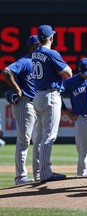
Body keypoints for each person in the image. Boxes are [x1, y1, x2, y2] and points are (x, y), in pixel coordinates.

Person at [31, 25, 72, 182]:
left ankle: (38, 172)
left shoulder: (35, 53)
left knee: (40, 136)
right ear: (51, 38)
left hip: (38, 95)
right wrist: (58, 71)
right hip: (50, 96)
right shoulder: (52, 53)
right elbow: (68, 73)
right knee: (49, 136)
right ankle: (45, 172)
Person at [2, 35, 41, 184]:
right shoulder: (25, 61)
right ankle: (20, 176)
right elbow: (6, 72)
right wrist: (17, 89)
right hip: (25, 103)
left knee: (38, 140)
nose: (40, 48)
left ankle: (38, 174)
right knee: (24, 141)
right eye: (38, 45)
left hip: (38, 104)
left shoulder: (41, 63)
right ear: (32, 47)